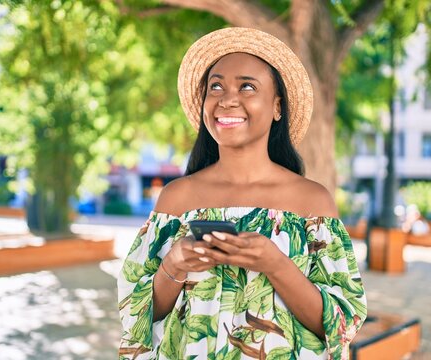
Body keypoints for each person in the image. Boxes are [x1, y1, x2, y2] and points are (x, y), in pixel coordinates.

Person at [118, 27, 366, 359]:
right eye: (215, 86)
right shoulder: (176, 200)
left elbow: (342, 323)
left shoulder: (312, 203)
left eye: (246, 86)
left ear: (278, 106)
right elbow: (138, 315)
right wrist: (174, 264)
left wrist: (275, 264)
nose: (227, 99)